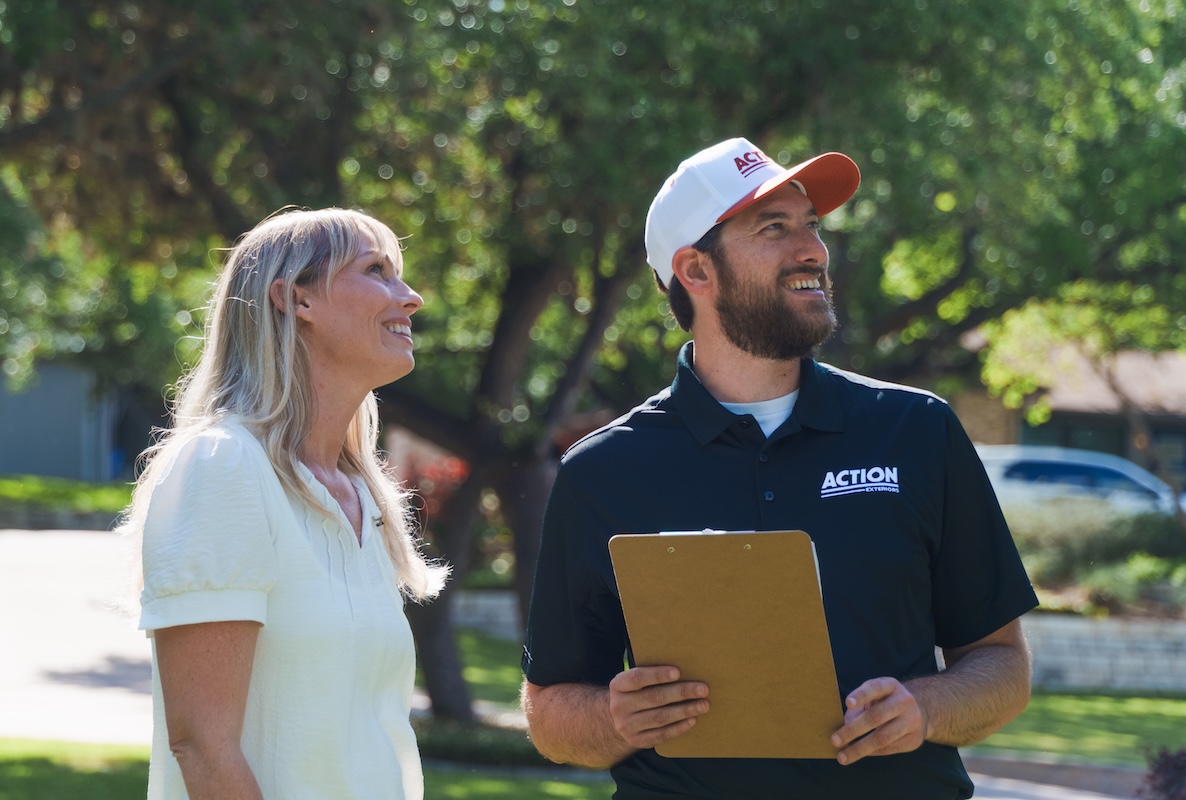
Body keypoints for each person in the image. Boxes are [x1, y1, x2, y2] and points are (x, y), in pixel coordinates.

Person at [520, 138, 1038, 799]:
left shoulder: (918, 431)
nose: (814, 250)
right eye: (774, 228)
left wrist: (926, 708)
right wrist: (614, 717)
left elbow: (1001, 664)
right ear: (696, 270)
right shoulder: (602, 471)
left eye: (811, 225)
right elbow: (550, 708)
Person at [120, 207, 447, 800]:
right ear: (296, 298)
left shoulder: (362, 494)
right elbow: (202, 745)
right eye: (377, 271)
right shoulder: (224, 466)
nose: (411, 297)